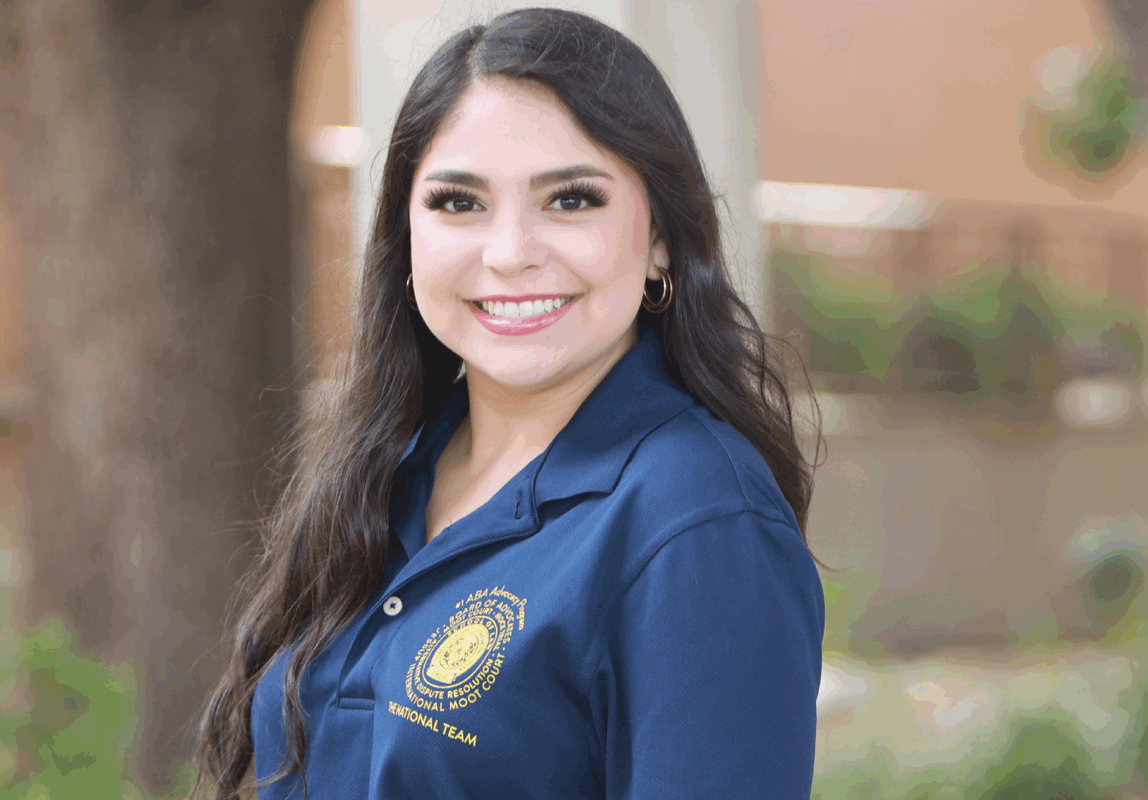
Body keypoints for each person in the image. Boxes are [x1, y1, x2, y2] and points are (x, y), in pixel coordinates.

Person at [190, 8, 825, 799]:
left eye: (571, 200)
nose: (510, 253)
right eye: (460, 202)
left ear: (660, 236)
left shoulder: (697, 523)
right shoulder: (389, 468)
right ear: (407, 238)